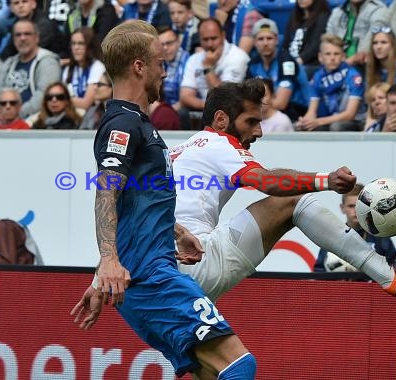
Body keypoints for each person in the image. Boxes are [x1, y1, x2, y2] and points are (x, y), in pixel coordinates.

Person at [70, 20, 257, 379]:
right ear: (139, 67)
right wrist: (108, 260)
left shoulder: (138, 124)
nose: (164, 71)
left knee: (216, 372)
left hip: (151, 274)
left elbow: (136, 200)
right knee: (239, 364)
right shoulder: (123, 125)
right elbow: (106, 191)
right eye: (159, 62)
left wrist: (176, 231)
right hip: (150, 278)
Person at [171, 78, 396, 303]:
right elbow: (268, 181)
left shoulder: (177, 151)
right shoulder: (218, 144)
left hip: (163, 274)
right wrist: (327, 180)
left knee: (215, 360)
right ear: (221, 119)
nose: (258, 132)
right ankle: (385, 271)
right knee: (293, 202)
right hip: (198, 261)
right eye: (251, 122)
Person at [179, 18, 250, 129]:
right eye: (205, 39)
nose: (210, 44)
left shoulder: (237, 57)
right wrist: (208, 107)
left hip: (233, 112)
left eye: (214, 38)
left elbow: (226, 97)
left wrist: (208, 68)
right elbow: (185, 96)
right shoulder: (194, 59)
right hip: (206, 111)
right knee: (181, 112)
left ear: (223, 35)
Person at [313, 184, 396, 272]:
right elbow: (319, 272)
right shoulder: (331, 237)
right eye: (351, 206)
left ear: (367, 207)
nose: (356, 210)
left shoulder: (380, 237)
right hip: (337, 286)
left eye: (359, 206)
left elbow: (395, 270)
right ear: (342, 208)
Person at [0, 19, 62, 119]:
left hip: (34, 119)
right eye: (18, 35)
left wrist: (15, 114)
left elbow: (43, 96)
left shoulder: (48, 62)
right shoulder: (9, 63)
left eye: (27, 34)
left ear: (36, 38)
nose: (22, 38)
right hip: (4, 118)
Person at [297, 34, 366, 131]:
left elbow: (350, 114)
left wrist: (318, 121)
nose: (332, 58)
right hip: (329, 119)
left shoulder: (353, 76)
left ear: (343, 56)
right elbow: (312, 111)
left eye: (336, 54)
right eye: (328, 54)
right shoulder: (318, 77)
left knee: (336, 127)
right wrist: (305, 121)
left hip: (356, 121)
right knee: (302, 127)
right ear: (320, 57)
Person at [247, 18, 310, 122]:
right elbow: (247, 99)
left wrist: (255, 104)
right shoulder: (252, 65)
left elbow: (281, 103)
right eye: (261, 39)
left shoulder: (286, 62)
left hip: (295, 112)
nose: (265, 43)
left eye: (269, 38)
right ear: (254, 42)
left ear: (276, 40)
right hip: (265, 113)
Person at [326, 0, 387, 67]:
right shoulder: (337, 12)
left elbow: (373, 40)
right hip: (337, 64)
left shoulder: (379, 10)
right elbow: (327, 42)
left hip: (365, 67)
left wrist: (350, 61)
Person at [0, 0, 67, 60]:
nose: (21, 6)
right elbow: (9, 50)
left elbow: (29, 52)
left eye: (24, 1)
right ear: (11, 8)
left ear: (33, 4)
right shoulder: (17, 23)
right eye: (16, 3)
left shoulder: (44, 24)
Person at [283, 0, 330, 79]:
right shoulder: (293, 17)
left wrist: (300, 60)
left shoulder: (323, 17)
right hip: (291, 62)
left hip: (310, 64)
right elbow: (286, 44)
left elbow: (316, 46)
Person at [62, 27, 106, 111]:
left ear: (90, 46)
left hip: (91, 118)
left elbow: (86, 103)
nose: (76, 48)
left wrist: (63, 100)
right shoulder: (68, 69)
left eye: (81, 43)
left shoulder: (97, 67)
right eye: (73, 43)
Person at [365, 26, 396, 92]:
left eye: (384, 42)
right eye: (375, 43)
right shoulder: (372, 68)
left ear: (392, 46)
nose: (378, 47)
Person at [157, 25, 189, 112]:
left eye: (169, 43)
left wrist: (167, 112)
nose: (165, 48)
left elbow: (187, 98)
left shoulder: (189, 62)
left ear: (178, 42)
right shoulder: (159, 62)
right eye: (161, 45)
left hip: (182, 113)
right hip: (164, 111)